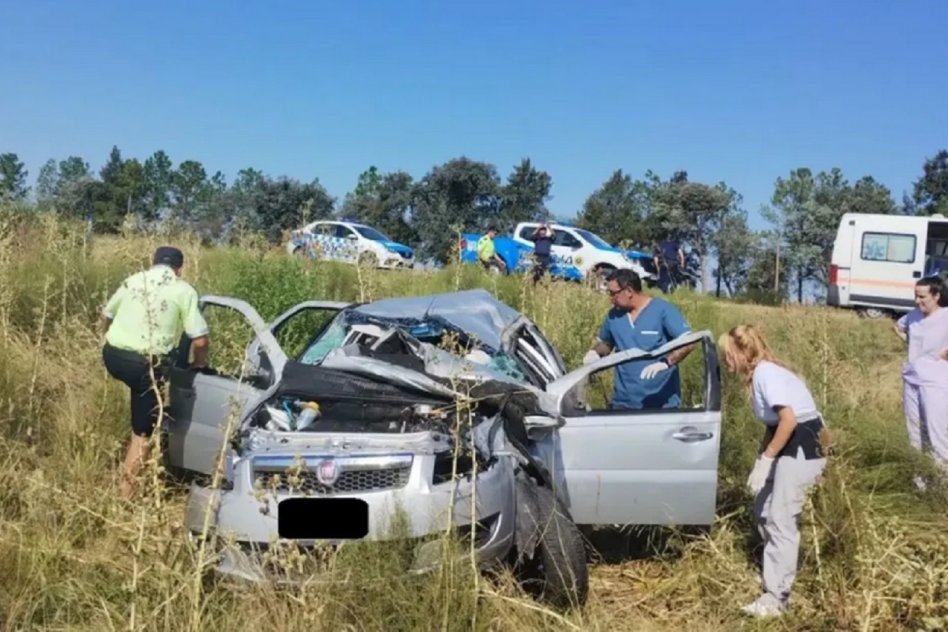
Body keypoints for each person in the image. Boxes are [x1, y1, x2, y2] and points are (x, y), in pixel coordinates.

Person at [718, 325, 828, 618]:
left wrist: (768, 458)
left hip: (803, 444)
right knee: (763, 508)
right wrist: (760, 460)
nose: (725, 360)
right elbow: (773, 425)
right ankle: (776, 571)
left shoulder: (766, 373)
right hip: (787, 441)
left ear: (743, 352)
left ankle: (776, 597)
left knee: (781, 517)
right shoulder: (758, 377)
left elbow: (789, 420)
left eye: (728, 355)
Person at [100, 246, 210, 499]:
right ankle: (125, 496)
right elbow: (200, 341)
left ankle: (129, 471)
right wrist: (199, 364)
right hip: (145, 366)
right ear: (180, 269)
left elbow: (106, 314)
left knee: (139, 396)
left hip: (113, 356)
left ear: (153, 263)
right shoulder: (183, 290)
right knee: (144, 432)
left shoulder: (133, 279)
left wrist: (105, 341)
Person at [583, 268, 693, 409]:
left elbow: (688, 342)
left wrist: (666, 362)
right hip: (623, 405)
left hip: (661, 406)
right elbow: (606, 343)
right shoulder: (613, 316)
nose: (611, 299)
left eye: (613, 294)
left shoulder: (662, 310)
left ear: (628, 291)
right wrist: (595, 354)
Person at [893, 276, 948, 486]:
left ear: (936, 296)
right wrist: (909, 345)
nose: (917, 301)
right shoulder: (913, 316)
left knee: (936, 435)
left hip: (936, 382)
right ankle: (921, 485)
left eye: (922, 297)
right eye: (915, 296)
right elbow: (897, 327)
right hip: (912, 380)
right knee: (915, 435)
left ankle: (942, 486)